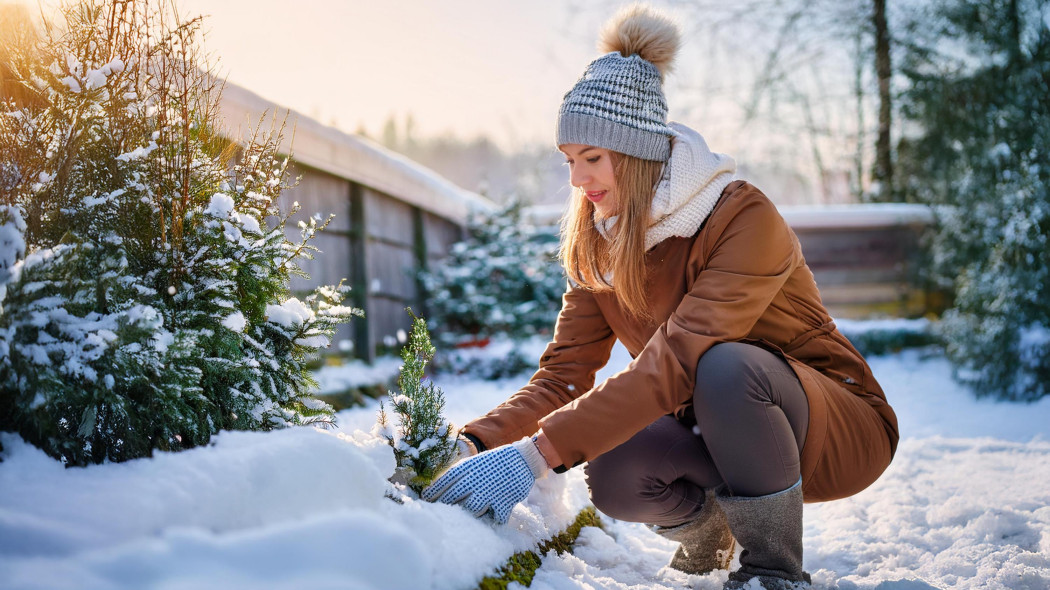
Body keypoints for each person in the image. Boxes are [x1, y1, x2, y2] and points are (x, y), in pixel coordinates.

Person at [422, 5, 899, 589]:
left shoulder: (740, 217)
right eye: (570, 160)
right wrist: (471, 441)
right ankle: (709, 533)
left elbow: (679, 360)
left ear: (638, 153)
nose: (577, 180)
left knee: (724, 365)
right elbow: (563, 378)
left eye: (592, 159)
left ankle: (773, 572)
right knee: (615, 467)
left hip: (832, 427)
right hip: (717, 431)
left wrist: (537, 454)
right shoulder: (601, 242)